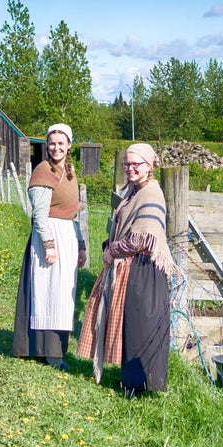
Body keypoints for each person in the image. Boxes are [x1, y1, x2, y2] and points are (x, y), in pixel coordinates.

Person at [76, 143, 176, 395]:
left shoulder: (151, 193)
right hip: (132, 266)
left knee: (140, 326)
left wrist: (111, 251)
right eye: (127, 164)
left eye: (136, 164)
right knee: (129, 325)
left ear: (149, 166)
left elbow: (141, 238)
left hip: (144, 269)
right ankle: (131, 382)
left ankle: (143, 386)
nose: (130, 168)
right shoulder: (134, 191)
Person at [12, 123, 87, 370]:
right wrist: (49, 245)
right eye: (52, 143)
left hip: (66, 234)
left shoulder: (68, 170)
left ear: (69, 145)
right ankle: (49, 352)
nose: (56, 147)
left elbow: (73, 212)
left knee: (62, 293)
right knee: (49, 292)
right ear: (47, 145)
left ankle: (54, 350)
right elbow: (40, 215)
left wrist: (80, 245)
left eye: (61, 143)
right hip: (50, 237)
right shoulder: (43, 171)